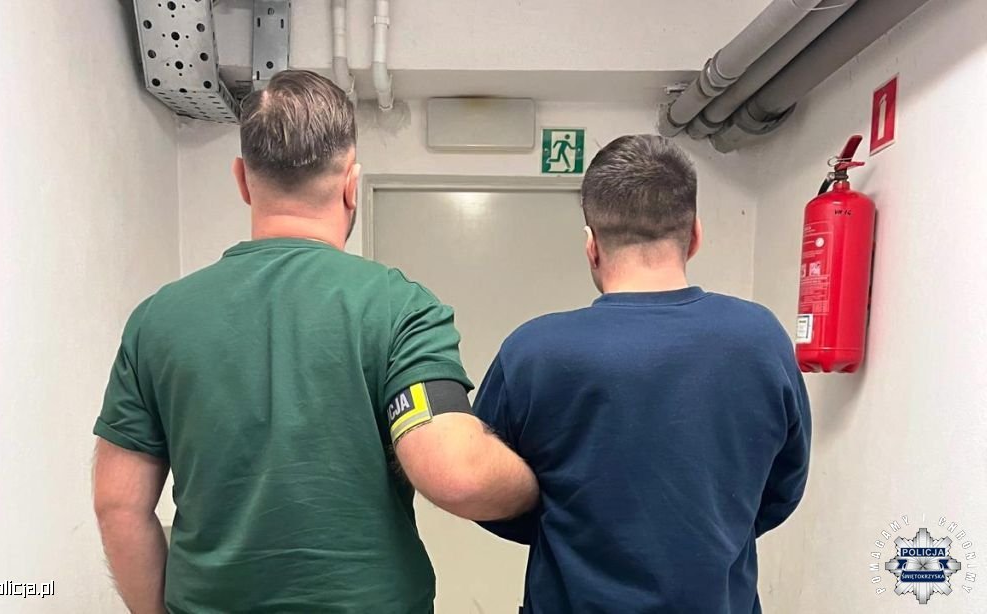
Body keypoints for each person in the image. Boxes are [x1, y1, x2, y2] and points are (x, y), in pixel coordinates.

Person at [91, 70, 539, 614]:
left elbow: (119, 506)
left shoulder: (157, 319)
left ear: (242, 179)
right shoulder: (400, 308)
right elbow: (456, 474)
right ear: (352, 183)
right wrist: (543, 488)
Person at [475, 135, 811, 614]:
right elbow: (781, 488)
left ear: (591, 246)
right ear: (696, 235)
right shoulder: (761, 338)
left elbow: (489, 489)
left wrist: (569, 533)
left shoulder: (532, 351)